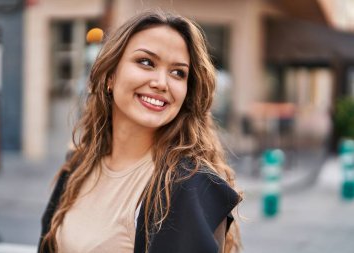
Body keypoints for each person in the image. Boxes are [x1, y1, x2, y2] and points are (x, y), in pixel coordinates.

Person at [38, 10, 242, 253]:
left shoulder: (188, 187)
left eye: (178, 72)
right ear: (110, 76)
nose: (161, 82)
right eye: (146, 62)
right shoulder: (78, 166)